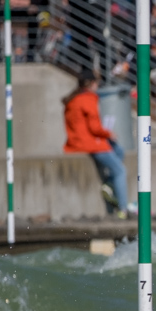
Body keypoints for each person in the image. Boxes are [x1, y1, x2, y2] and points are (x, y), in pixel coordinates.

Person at [63, 69, 132, 217]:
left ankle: (108, 184)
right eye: (97, 83)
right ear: (91, 84)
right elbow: (95, 128)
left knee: (118, 150)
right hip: (90, 144)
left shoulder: (73, 99)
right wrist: (109, 134)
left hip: (75, 142)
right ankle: (123, 208)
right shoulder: (88, 99)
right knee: (120, 170)